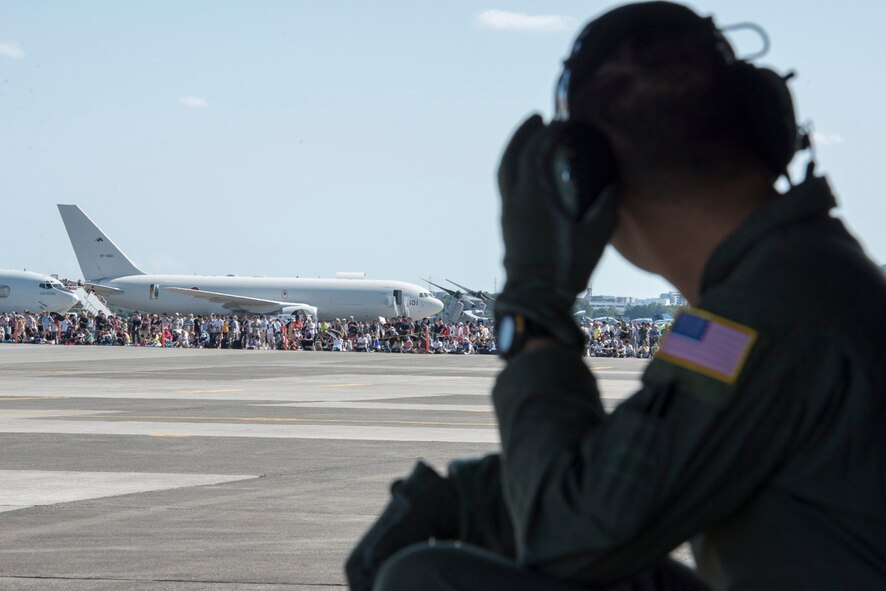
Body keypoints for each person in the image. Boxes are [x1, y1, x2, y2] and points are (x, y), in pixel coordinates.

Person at [345, 2, 886, 591]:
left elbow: (567, 540)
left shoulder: (761, 317)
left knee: (427, 579)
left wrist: (534, 299)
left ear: (588, 173)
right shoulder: (796, 283)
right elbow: (633, 476)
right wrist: (467, 501)